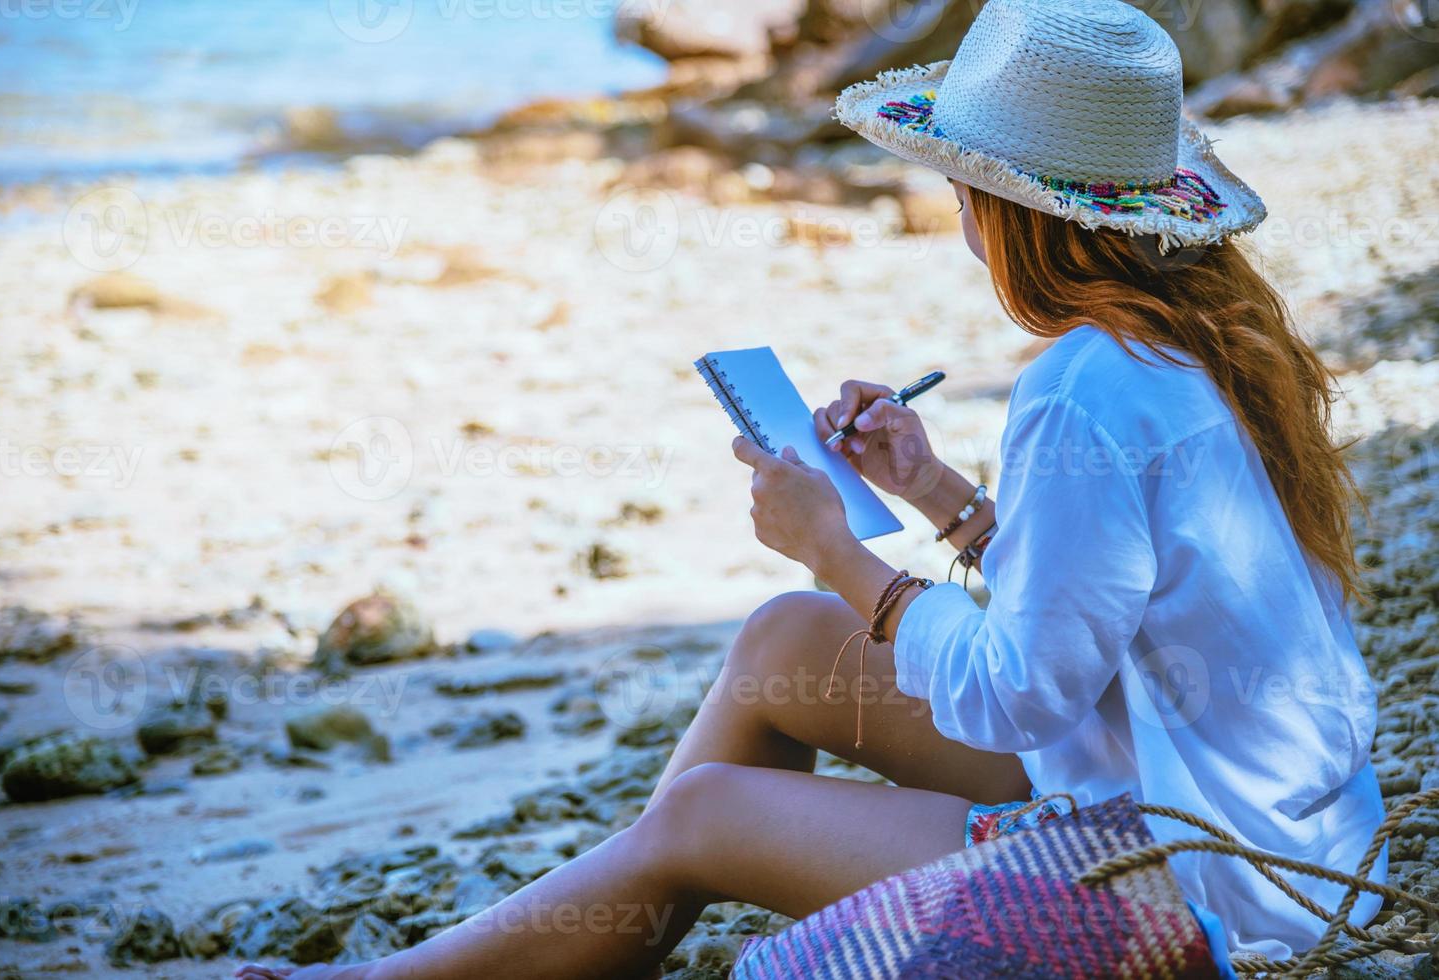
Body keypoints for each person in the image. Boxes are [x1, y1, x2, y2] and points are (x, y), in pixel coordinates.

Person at [238, 0, 1383, 976]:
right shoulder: (1190, 341)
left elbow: (1025, 694)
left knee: (706, 806)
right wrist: (934, 491)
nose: (957, 217)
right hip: (1266, 821)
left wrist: (841, 551)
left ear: (1012, 212)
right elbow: (1111, 609)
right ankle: (619, 911)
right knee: (786, 639)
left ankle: (447, 958)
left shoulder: (1082, 388)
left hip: (1203, 880)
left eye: (961, 191)